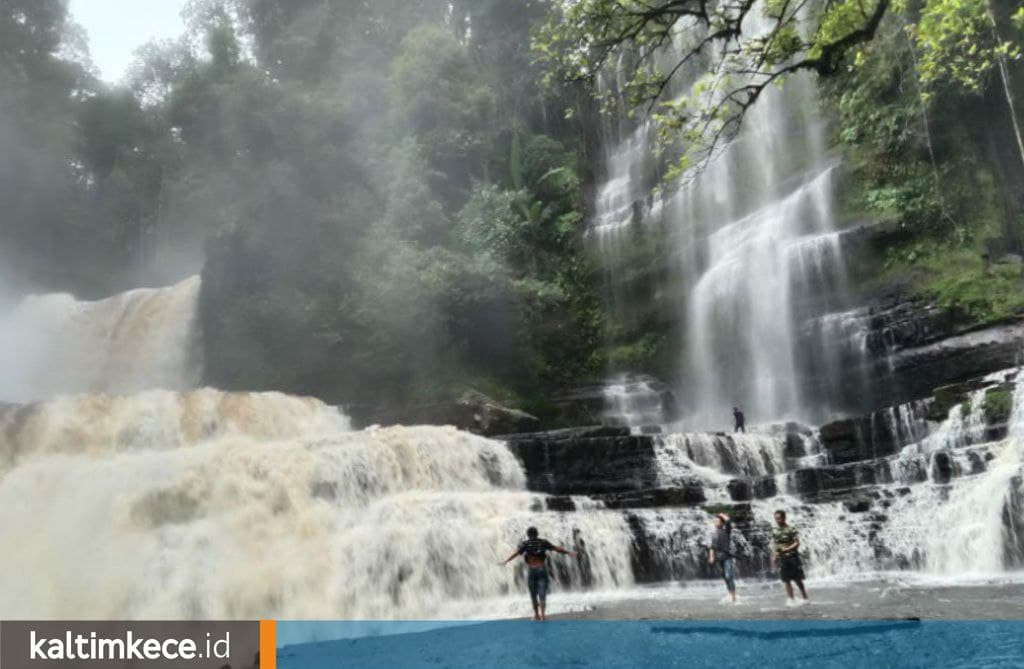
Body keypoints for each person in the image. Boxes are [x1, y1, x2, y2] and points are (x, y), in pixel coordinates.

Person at [500, 526, 576, 621]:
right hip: (541, 569)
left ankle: (536, 615)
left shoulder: (525, 544)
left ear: (528, 535)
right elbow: (557, 549)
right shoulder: (543, 542)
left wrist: (506, 561)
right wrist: (569, 552)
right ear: (537, 534)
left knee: (533, 594)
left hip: (532, 569)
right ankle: (543, 615)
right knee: (542, 592)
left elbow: (516, 553)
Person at [771, 509, 809, 606]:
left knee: (797, 579)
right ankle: (791, 599)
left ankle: (805, 597)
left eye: (779, 519)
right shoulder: (775, 530)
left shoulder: (791, 529)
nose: (777, 521)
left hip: (793, 557)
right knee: (786, 580)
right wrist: (774, 556)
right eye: (776, 519)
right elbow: (775, 544)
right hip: (782, 558)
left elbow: (797, 543)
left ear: (784, 518)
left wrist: (787, 549)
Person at [708, 512, 737, 604]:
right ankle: (730, 594)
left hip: (727, 557)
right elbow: (712, 547)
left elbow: (728, 521)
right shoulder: (713, 534)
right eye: (714, 521)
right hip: (719, 558)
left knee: (729, 576)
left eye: (717, 521)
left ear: (722, 523)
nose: (715, 522)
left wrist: (722, 515)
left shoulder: (726, 530)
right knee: (725, 577)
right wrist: (711, 557)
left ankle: (734, 597)